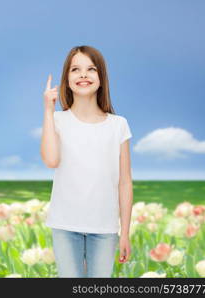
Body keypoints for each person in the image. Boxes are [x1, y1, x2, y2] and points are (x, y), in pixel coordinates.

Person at [40, 45, 133, 278]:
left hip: (104, 229)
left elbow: (124, 183)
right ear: (67, 79)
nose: (83, 74)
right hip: (65, 225)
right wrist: (48, 110)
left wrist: (125, 233)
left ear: (101, 78)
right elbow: (51, 160)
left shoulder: (118, 125)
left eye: (91, 69)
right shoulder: (58, 121)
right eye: (75, 69)